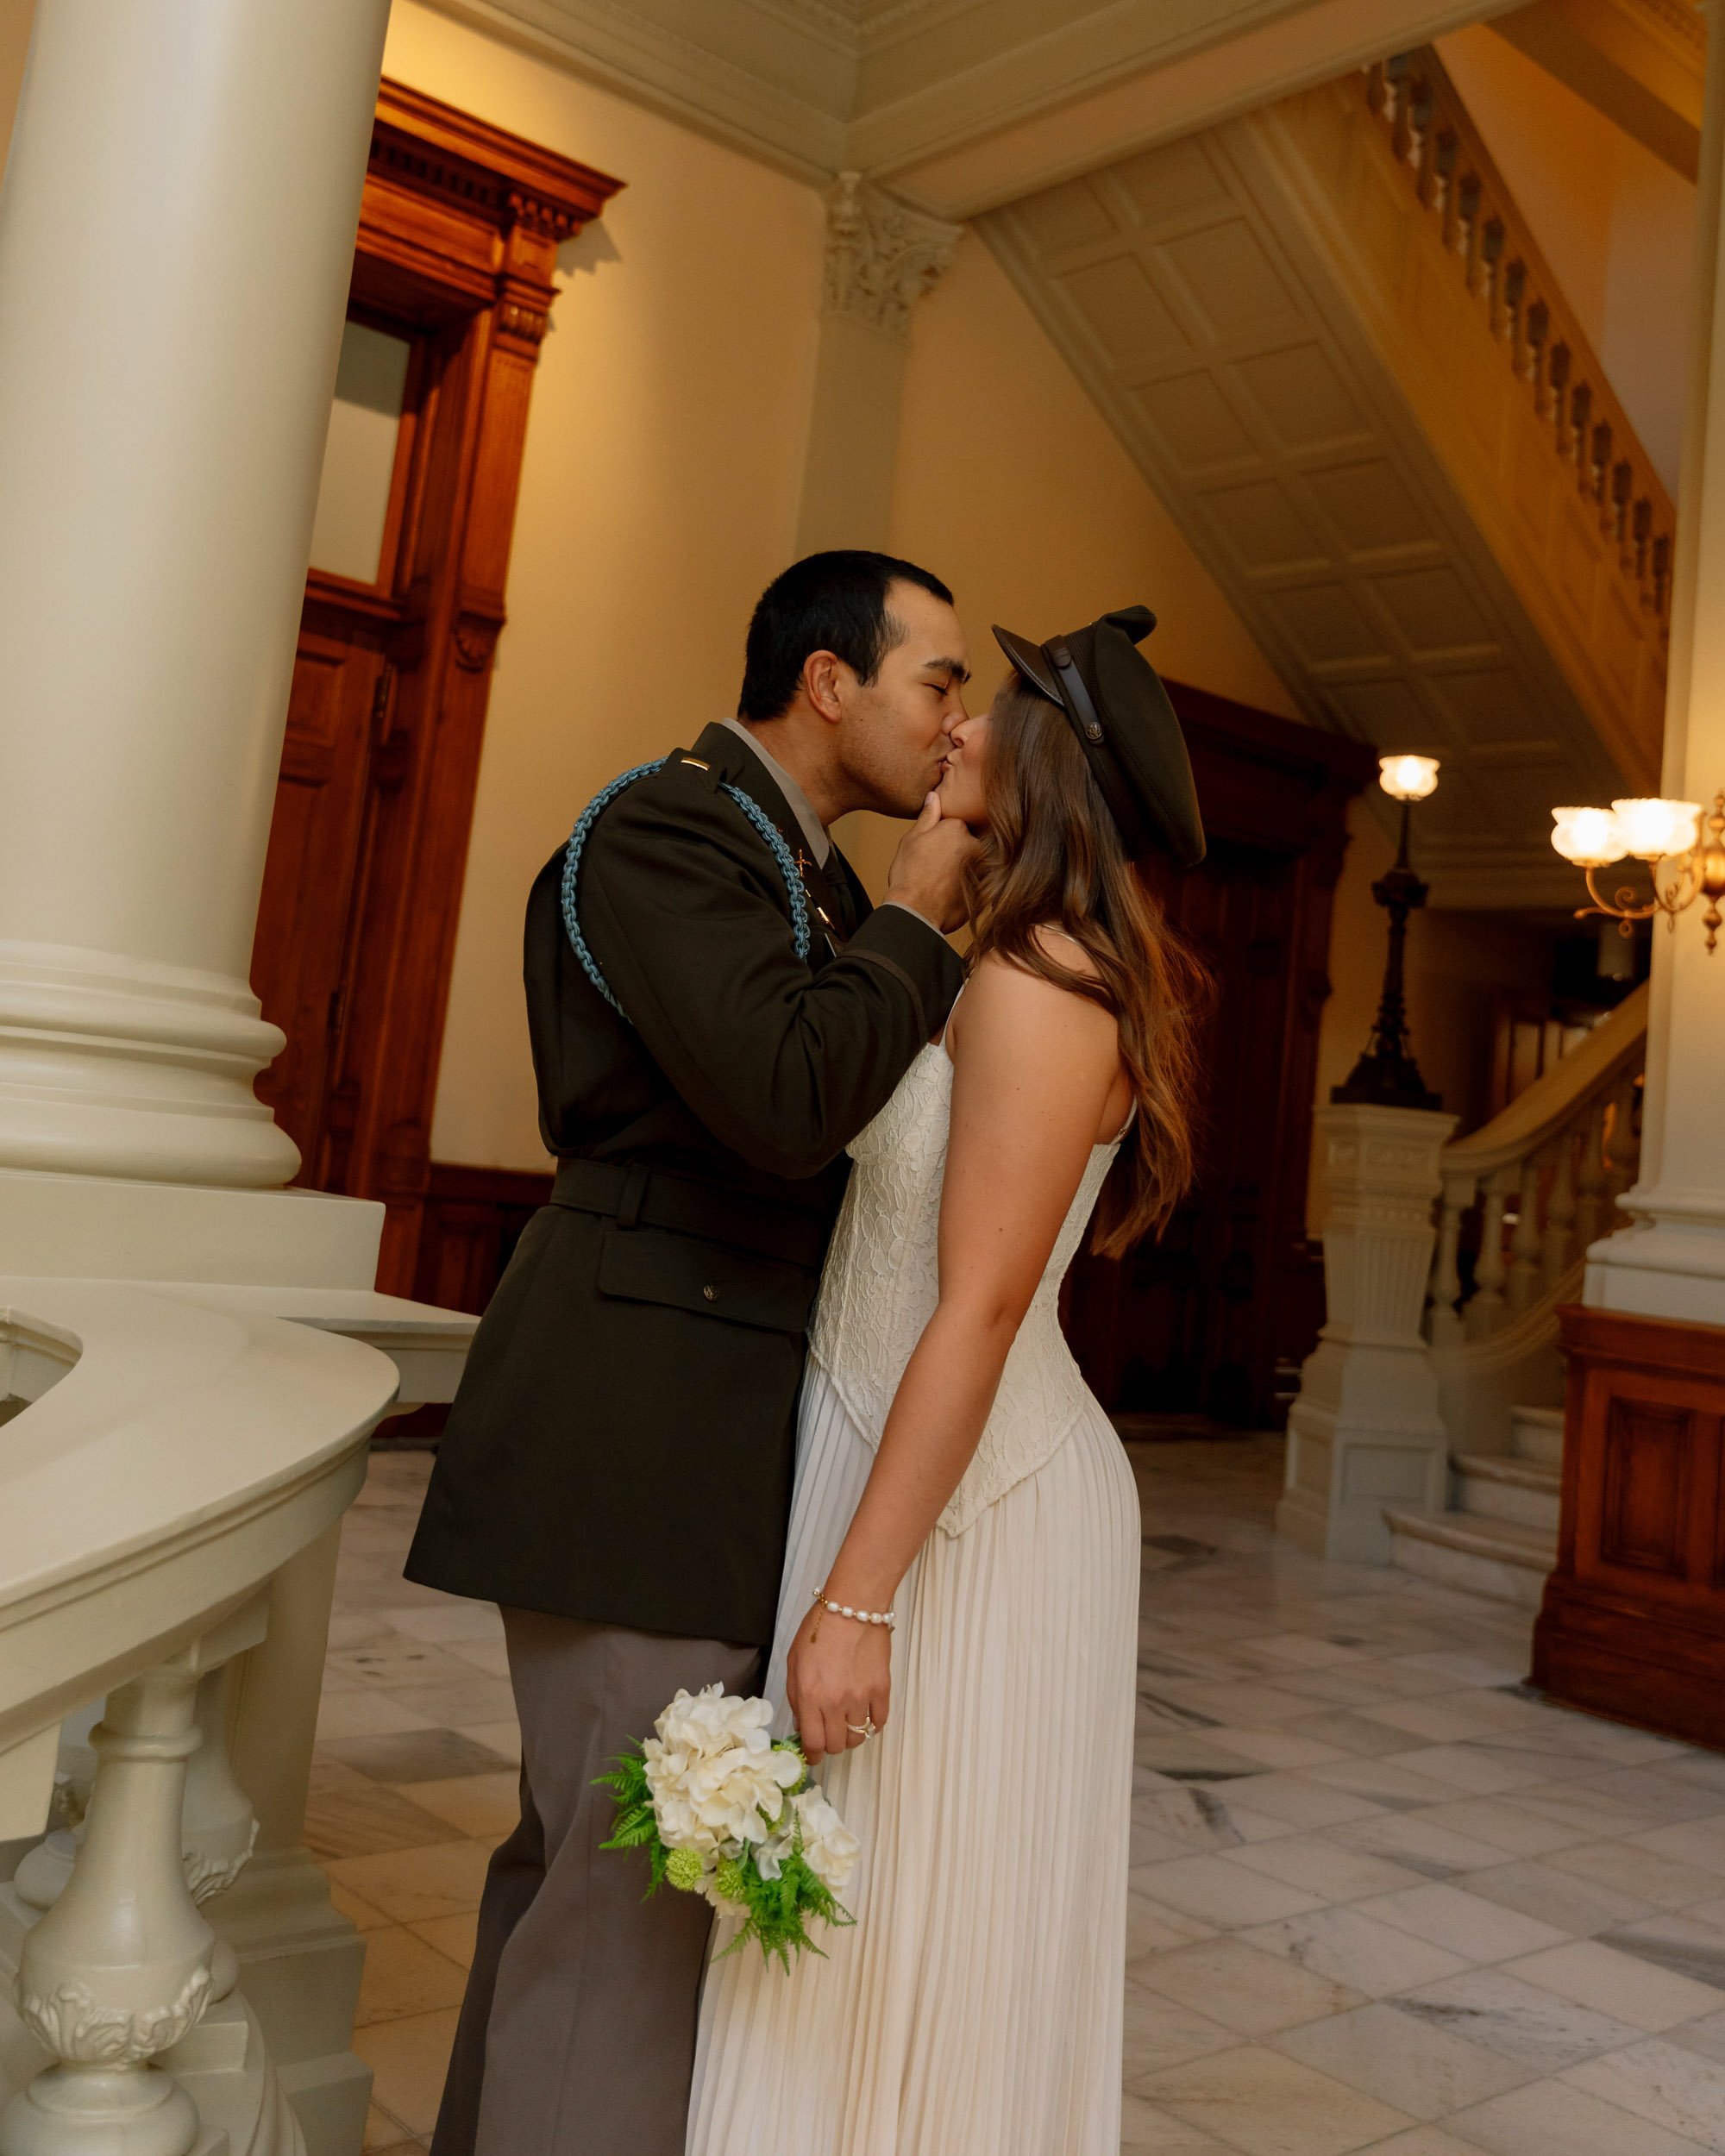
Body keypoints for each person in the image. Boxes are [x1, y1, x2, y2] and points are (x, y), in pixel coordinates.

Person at [403, 551, 982, 2156]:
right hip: (633, 1423)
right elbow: (790, 1102)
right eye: (938, 680)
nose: (957, 726)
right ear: (827, 680)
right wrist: (925, 910)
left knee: (579, 1889)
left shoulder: (800, 875)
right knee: (618, 1915)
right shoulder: (669, 828)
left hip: (698, 1427)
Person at [687, 605, 1209, 2156]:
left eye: (993, 712)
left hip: (970, 1514)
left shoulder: (1046, 978)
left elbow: (980, 1307)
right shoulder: (995, 951)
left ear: (1043, 763)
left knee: (917, 1929)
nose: (959, 727)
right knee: (846, 1933)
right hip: (890, 1461)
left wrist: (857, 1599)